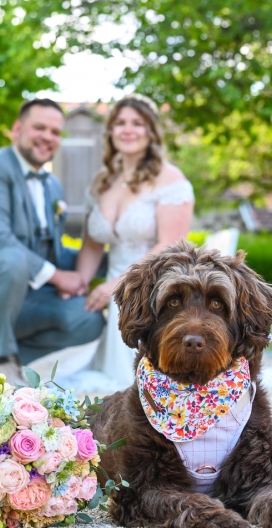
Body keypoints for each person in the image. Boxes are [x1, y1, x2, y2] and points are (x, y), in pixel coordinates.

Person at [0, 99, 105, 383]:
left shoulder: (53, 184)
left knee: (88, 319)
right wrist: (59, 277)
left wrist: (105, 267)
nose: (47, 137)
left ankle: (8, 364)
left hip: (28, 300)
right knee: (10, 257)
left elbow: (53, 252)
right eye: (39, 127)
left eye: (55, 132)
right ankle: (0, 358)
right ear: (17, 129)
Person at [56, 94, 194, 393]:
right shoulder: (102, 182)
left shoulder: (169, 179)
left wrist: (119, 285)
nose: (127, 129)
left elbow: (170, 245)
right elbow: (92, 245)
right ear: (110, 131)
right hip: (112, 282)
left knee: (135, 382)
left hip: (153, 285)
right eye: (120, 123)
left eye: (137, 123)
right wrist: (80, 282)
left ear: (151, 131)